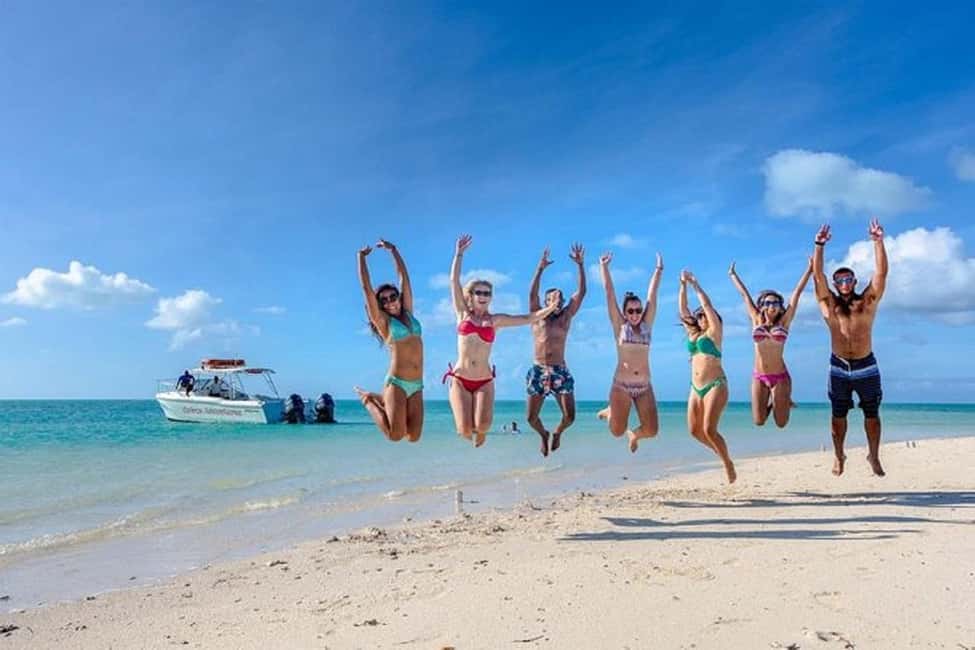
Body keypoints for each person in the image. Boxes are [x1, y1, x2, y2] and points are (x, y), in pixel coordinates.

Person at [445, 234, 558, 447]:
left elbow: (527, 318)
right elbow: (453, 281)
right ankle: (470, 427)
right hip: (460, 378)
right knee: (464, 430)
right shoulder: (462, 314)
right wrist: (458, 254)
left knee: (483, 426)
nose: (483, 296)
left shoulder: (495, 320)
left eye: (487, 293)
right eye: (479, 292)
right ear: (470, 295)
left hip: (484, 379)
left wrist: (550, 308)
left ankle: (481, 431)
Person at [812, 219, 888, 477]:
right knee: (838, 415)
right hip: (839, 366)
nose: (844, 282)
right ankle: (839, 455)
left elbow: (881, 275)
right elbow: (818, 276)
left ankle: (873, 455)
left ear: (854, 281)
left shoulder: (865, 303)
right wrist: (819, 245)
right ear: (835, 284)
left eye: (848, 278)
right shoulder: (830, 305)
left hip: (866, 365)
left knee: (872, 414)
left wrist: (878, 242)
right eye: (839, 279)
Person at [728, 258, 812, 427]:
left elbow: (797, 293)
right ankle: (777, 401)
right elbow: (744, 295)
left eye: (775, 302)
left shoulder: (784, 322)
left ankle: (781, 400)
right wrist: (732, 275)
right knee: (759, 421)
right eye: (767, 302)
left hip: (780, 376)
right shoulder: (756, 319)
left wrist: (809, 270)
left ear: (780, 306)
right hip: (759, 376)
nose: (772, 305)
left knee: (781, 423)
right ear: (762, 306)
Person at [355, 239, 424, 443]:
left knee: (414, 436)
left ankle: (381, 398)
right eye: (383, 300)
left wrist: (393, 250)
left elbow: (404, 279)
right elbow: (366, 289)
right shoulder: (384, 323)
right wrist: (361, 258)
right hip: (397, 383)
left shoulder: (409, 313)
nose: (389, 302)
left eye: (393, 297)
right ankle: (368, 401)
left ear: (399, 297)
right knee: (396, 435)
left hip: (417, 384)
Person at [596, 251, 663, 453]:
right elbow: (609, 294)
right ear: (625, 313)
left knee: (652, 430)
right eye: (631, 311)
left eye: (638, 310)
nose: (635, 314)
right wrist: (604, 268)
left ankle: (634, 435)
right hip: (622, 386)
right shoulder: (620, 327)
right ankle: (610, 412)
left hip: (644, 386)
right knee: (617, 431)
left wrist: (658, 270)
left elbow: (652, 296)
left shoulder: (646, 325)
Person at [525, 244, 586, 456]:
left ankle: (558, 432)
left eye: (560, 297)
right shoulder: (537, 315)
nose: (557, 300)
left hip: (560, 370)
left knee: (570, 417)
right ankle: (543, 434)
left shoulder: (566, 316)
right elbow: (532, 294)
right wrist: (540, 268)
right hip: (538, 370)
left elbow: (581, 293)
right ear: (546, 301)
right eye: (552, 297)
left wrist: (580, 265)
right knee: (531, 418)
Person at [679, 270, 737, 483]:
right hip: (695, 388)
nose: (701, 317)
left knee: (709, 429)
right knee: (694, 431)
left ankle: (727, 463)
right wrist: (682, 285)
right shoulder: (694, 334)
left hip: (715, 384)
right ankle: (721, 452)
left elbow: (707, 305)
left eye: (704, 315)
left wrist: (695, 285)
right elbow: (683, 310)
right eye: (699, 316)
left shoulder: (715, 333)